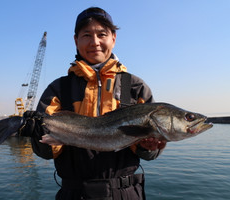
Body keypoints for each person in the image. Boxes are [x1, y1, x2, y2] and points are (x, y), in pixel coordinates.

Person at [22, 7, 167, 200]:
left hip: (126, 193)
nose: (95, 42)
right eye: (87, 35)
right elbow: (47, 153)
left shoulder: (134, 87)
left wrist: (150, 147)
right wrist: (37, 134)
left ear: (113, 38)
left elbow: (148, 155)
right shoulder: (59, 89)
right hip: (73, 193)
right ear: (76, 40)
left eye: (102, 34)